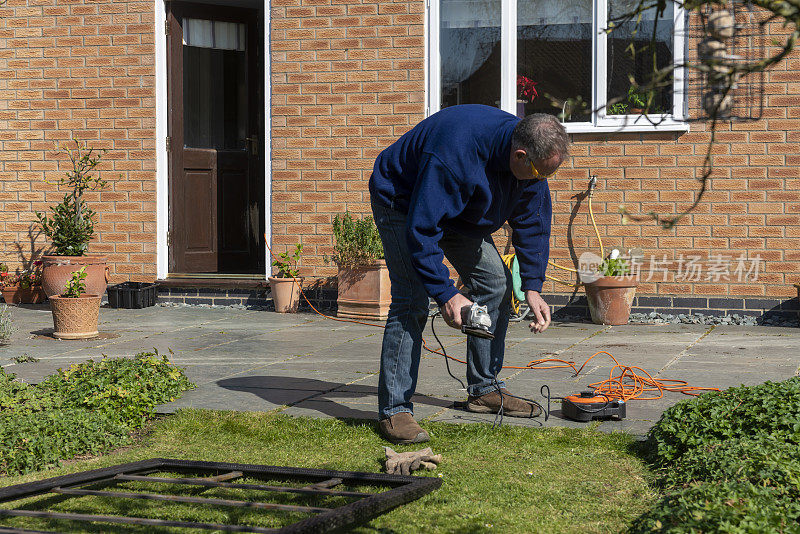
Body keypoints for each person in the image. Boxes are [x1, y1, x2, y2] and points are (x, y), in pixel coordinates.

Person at [368, 104, 569, 444]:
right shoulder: (456, 151)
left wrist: (532, 286)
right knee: (412, 299)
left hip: (458, 211)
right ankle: (395, 410)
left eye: (548, 175)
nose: (541, 181)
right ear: (519, 155)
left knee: (496, 282)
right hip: (402, 202)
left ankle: (484, 389)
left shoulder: (532, 164)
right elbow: (422, 228)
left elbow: (533, 224)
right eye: (539, 173)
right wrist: (446, 294)